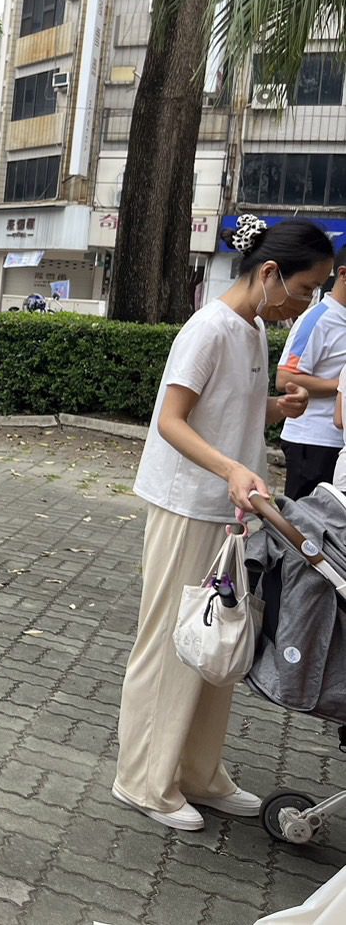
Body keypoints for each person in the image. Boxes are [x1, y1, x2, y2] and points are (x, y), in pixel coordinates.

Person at [114, 215, 329, 832]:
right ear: (269, 273)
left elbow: (224, 408)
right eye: (304, 288)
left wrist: (273, 408)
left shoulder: (252, 326)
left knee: (220, 640)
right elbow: (172, 420)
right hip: (188, 504)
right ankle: (144, 780)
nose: (305, 303)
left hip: (233, 509)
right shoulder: (208, 328)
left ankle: (200, 772)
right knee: (170, 640)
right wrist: (234, 468)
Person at [276, 242, 346, 499]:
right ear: (342, 274)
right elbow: (285, 378)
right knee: (304, 527)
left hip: (339, 445)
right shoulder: (317, 319)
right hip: (311, 442)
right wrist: (339, 387)